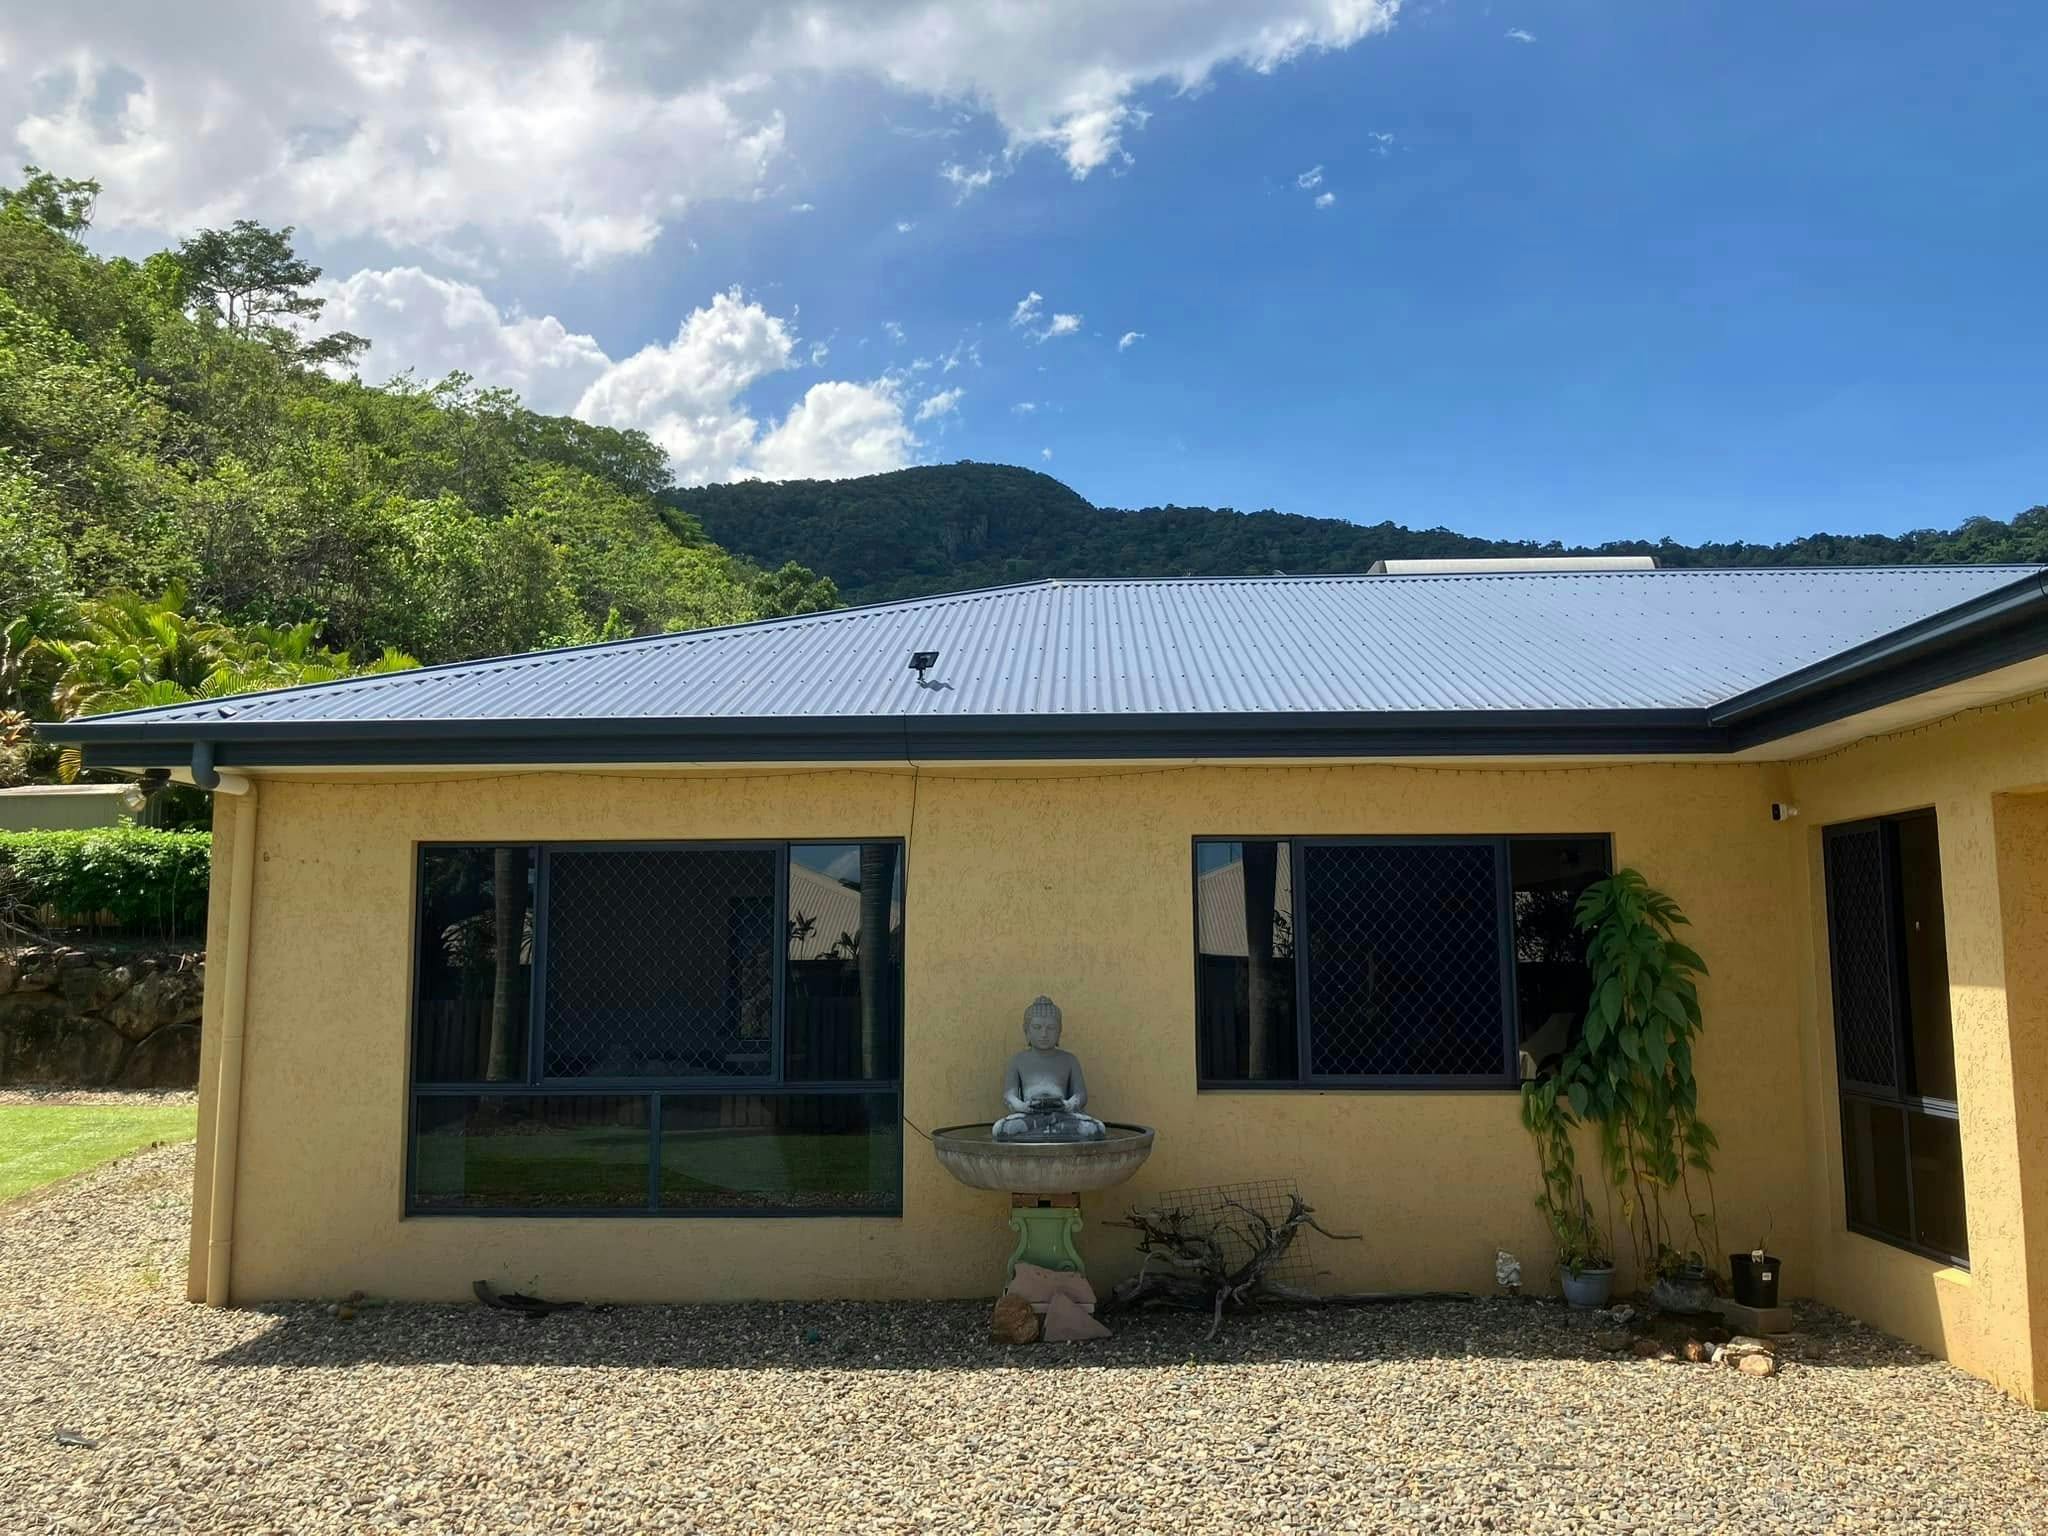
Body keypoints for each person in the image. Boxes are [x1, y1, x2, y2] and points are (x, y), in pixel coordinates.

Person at [993, 995, 1106, 1140]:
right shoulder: (1019, 1060)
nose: (1044, 1034)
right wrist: (1022, 1107)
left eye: (1051, 1028)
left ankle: (1040, 1135)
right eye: (1037, 1027)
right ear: (1027, 1031)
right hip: (1029, 1115)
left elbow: (1081, 1095)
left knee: (1096, 1129)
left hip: (1062, 1116)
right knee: (1001, 1129)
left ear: (1059, 1031)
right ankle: (1047, 1133)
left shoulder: (1069, 1060)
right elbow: (1009, 1096)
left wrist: (1068, 1105)